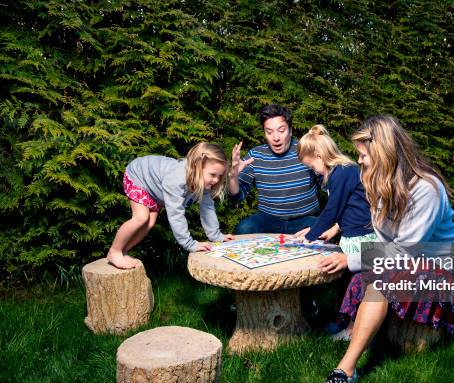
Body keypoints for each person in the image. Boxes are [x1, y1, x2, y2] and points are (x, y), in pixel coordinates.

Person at [309, 115, 454, 383]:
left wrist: (351, 258)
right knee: (364, 277)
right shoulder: (380, 184)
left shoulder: (426, 189)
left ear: (383, 152)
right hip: (405, 259)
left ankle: (345, 370)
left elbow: (405, 253)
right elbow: (386, 242)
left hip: (435, 268)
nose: (360, 161)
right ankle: (358, 331)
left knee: (379, 283)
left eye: (363, 155)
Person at [294, 124, 377, 339]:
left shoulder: (343, 172)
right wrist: (330, 231)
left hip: (362, 236)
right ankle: (342, 320)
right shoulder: (338, 172)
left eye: (312, 166)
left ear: (320, 155)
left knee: (354, 284)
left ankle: (352, 329)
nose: (313, 171)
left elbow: (332, 210)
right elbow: (345, 209)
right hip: (351, 233)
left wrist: (310, 235)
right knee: (344, 283)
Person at [107, 143, 235, 269]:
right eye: (213, 175)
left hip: (154, 188)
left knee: (150, 223)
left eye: (219, 176)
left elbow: (208, 209)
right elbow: (176, 214)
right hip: (138, 175)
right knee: (141, 218)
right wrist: (189, 244)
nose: (216, 180)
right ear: (197, 166)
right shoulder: (176, 179)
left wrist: (216, 236)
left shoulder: (204, 183)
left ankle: (123, 252)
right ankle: (115, 251)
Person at [228, 104, 321, 235]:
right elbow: (236, 197)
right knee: (245, 228)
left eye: (281, 131)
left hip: (305, 219)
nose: (275, 138)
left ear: (291, 130)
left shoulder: (306, 150)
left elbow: (330, 185)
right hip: (268, 220)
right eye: (269, 132)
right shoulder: (255, 156)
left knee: (321, 227)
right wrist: (232, 176)